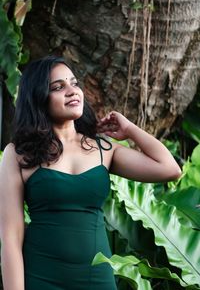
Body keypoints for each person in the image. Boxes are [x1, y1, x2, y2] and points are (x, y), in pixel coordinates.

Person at [0, 55, 181, 290]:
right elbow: (11, 237)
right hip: (41, 276)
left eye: (74, 83)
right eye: (58, 87)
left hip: (96, 277)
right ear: (39, 97)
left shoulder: (103, 149)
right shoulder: (18, 154)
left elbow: (169, 169)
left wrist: (130, 129)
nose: (71, 91)